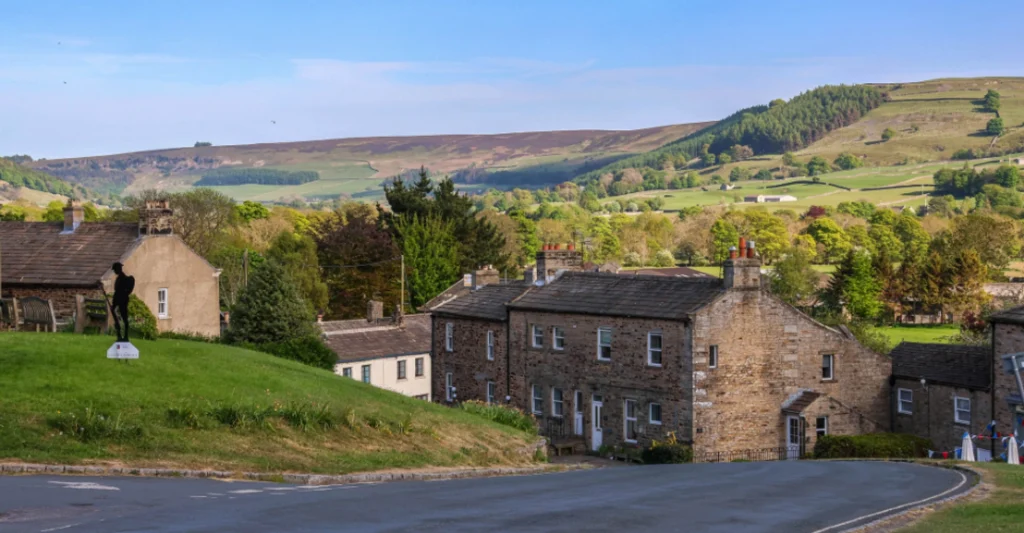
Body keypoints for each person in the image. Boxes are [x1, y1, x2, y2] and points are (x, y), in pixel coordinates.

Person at [109, 262, 135, 342]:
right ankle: (119, 334)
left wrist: (115, 302)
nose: (114, 272)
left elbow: (120, 292)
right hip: (117, 299)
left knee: (124, 318)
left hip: (122, 300)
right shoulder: (119, 278)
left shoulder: (123, 278)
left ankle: (125, 336)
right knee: (117, 318)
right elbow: (116, 292)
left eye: (115, 270)